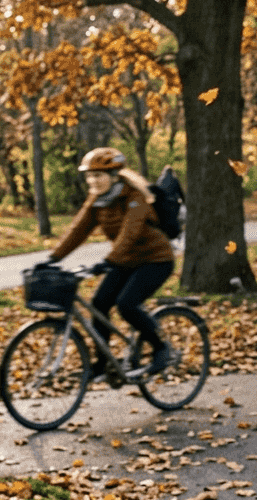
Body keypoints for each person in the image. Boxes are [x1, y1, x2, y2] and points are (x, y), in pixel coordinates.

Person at [46, 147, 175, 377]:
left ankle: (161, 348)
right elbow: (78, 230)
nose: (92, 180)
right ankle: (103, 363)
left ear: (114, 176)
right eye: (89, 175)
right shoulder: (97, 200)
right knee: (99, 304)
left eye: (98, 175)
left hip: (155, 260)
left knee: (127, 305)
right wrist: (52, 258)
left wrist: (108, 261)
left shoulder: (135, 197)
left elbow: (130, 233)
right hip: (125, 261)